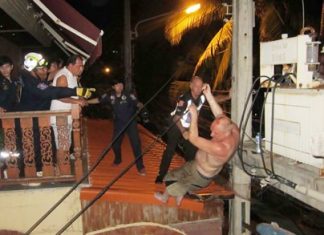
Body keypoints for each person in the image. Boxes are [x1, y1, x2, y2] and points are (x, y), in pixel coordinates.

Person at [154, 84, 239, 206]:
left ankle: (166, 197)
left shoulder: (221, 148)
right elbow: (219, 114)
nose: (211, 133)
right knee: (171, 175)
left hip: (200, 176)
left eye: (215, 132)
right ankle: (179, 195)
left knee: (173, 185)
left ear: (225, 132)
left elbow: (193, 139)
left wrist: (194, 115)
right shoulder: (232, 128)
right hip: (195, 165)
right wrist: (209, 95)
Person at [88, 79, 146, 176]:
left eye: (121, 84)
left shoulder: (128, 95)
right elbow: (98, 100)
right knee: (115, 144)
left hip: (130, 123)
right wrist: (86, 102)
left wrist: (140, 106)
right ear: (113, 87)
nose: (120, 86)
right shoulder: (110, 95)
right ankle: (118, 159)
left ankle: (140, 166)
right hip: (119, 123)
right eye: (118, 85)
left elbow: (137, 103)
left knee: (136, 144)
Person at [155, 75, 205, 184]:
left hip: (190, 126)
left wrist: (228, 96)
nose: (198, 89)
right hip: (176, 125)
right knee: (170, 150)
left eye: (200, 86)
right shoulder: (185, 98)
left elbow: (214, 99)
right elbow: (176, 117)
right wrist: (183, 132)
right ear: (191, 86)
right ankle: (161, 175)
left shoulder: (202, 97)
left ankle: (189, 178)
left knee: (192, 152)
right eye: (196, 86)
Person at [15, 52, 94, 111]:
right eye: (42, 69)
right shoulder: (29, 81)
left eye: (46, 68)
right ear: (32, 70)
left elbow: (45, 88)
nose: (46, 71)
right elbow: (49, 91)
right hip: (29, 123)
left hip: (37, 120)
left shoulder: (33, 81)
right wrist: (76, 91)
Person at [50, 55, 88, 148]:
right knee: (63, 146)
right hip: (60, 117)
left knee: (66, 145)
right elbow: (60, 96)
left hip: (68, 117)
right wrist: (78, 101)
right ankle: (61, 163)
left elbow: (74, 94)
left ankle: (63, 162)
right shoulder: (63, 75)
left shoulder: (73, 76)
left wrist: (81, 99)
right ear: (71, 65)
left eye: (82, 66)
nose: (82, 68)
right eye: (79, 66)